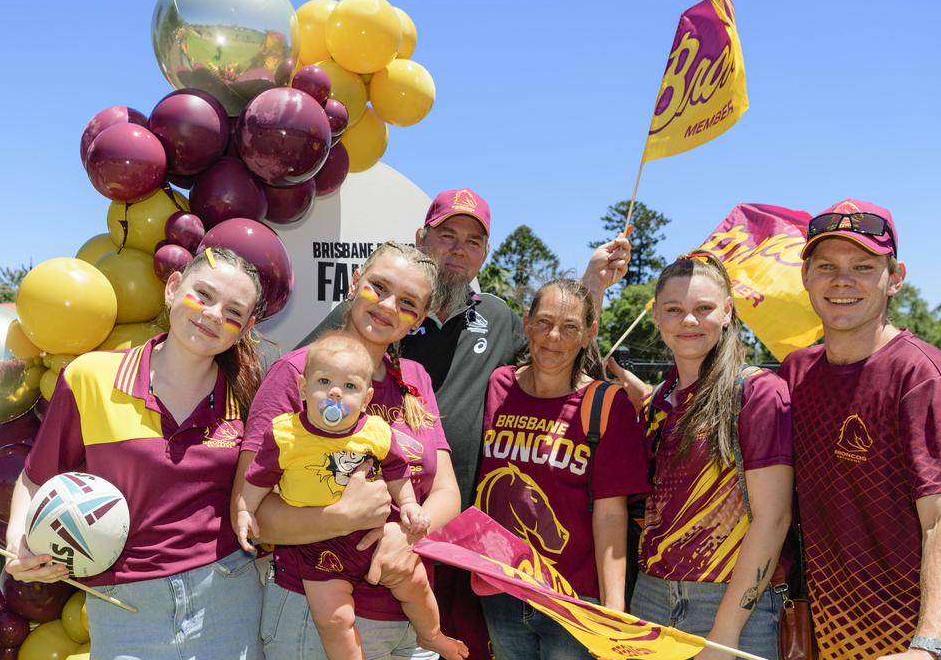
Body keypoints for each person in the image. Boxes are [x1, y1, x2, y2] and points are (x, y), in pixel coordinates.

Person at [300, 188, 631, 658]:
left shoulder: (496, 317)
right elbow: (303, 382)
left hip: (461, 539)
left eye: (473, 241)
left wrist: (591, 284)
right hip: (367, 535)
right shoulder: (376, 313)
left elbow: (554, 351)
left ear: (484, 255)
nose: (458, 248)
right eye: (447, 235)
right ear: (422, 237)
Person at [4, 247, 267, 660]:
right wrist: (18, 539)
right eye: (204, 294)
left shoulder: (251, 397)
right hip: (123, 606)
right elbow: (36, 477)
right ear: (173, 288)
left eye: (233, 310)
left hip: (229, 597)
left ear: (246, 327)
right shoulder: (89, 376)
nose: (214, 314)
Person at [779, 199, 941, 660]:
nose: (842, 280)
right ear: (806, 277)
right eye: (826, 266)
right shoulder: (796, 373)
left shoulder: (926, 378)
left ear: (895, 278)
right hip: (834, 634)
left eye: (863, 266)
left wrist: (932, 646)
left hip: (916, 640)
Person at [238, 241, 462, 660]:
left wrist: (409, 532)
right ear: (355, 282)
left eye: (409, 302)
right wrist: (344, 517)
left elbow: (447, 490)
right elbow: (253, 516)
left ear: (420, 319)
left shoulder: (415, 379)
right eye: (379, 286)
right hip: (317, 617)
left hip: (409, 618)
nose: (389, 306)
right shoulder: (298, 375)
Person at [629, 251, 792, 660]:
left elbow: (773, 517)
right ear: (656, 317)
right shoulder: (656, 404)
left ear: (727, 312)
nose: (688, 321)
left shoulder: (756, 391)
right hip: (648, 597)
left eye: (703, 308)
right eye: (674, 309)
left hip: (731, 606)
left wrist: (725, 633)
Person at [476, 278, 650, 660]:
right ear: (527, 323)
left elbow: (611, 515)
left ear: (590, 333)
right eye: (544, 321)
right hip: (501, 590)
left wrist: (614, 610)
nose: (554, 336)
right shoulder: (498, 386)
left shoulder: (606, 404)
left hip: (573, 598)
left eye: (570, 327)